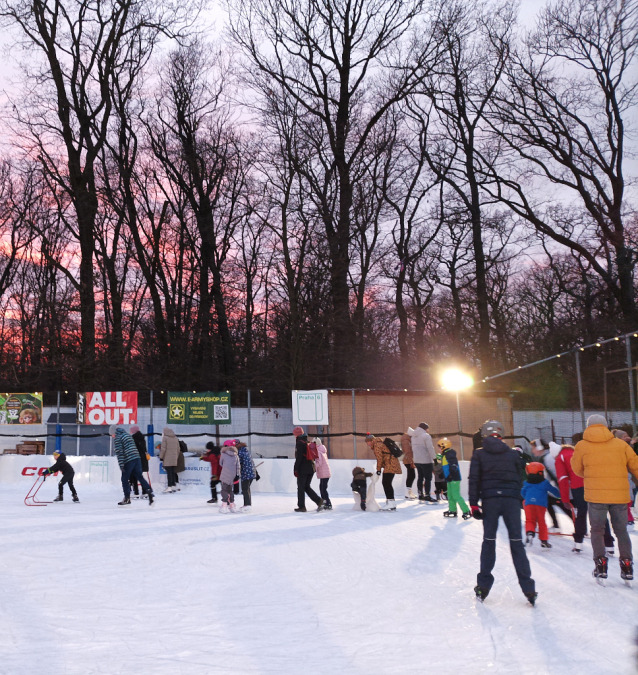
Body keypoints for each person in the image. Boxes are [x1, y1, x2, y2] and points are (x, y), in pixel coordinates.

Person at [469, 419, 536, 605]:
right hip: (511, 502)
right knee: (516, 543)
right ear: (502, 434)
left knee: (489, 541)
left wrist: (474, 504)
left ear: (484, 434)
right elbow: (520, 479)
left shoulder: (479, 454)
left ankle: (483, 586)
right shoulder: (512, 454)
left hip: (490, 501)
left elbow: (474, 479)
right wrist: (519, 498)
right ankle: (528, 588)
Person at [572, 414, 638, 583]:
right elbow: (635, 465)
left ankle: (600, 564)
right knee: (621, 531)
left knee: (597, 530)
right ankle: (627, 564)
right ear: (606, 426)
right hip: (620, 496)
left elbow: (577, 469)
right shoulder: (620, 445)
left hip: (596, 497)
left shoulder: (582, 445)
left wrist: (591, 476)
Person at [555, 443, 615, 554]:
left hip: (578, 487)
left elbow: (563, 480)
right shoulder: (578, 453)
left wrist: (565, 499)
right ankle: (609, 544)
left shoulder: (560, 458)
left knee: (581, 514)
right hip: (593, 483)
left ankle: (578, 543)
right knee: (599, 513)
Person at [110, 426, 154, 506]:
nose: (112, 436)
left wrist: (122, 465)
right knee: (139, 476)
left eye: (111, 434)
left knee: (124, 479)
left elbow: (120, 453)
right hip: (137, 458)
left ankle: (127, 498)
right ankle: (149, 491)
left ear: (114, 432)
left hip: (128, 459)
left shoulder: (118, 438)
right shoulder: (127, 435)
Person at [521, 462, 561, 549]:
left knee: (529, 520)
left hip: (528, 504)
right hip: (541, 504)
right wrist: (560, 496)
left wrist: (527, 498)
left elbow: (522, 492)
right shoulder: (545, 482)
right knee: (541, 522)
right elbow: (553, 490)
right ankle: (544, 541)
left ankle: (530, 533)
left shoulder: (526, 483)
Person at [293, 427, 326, 512]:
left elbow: (299, 458)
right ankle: (319, 501)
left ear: (297, 435)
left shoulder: (299, 443)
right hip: (311, 467)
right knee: (306, 486)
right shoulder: (307, 441)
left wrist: (296, 469)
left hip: (303, 469)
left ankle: (302, 507)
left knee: (301, 487)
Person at [366, 433, 402, 511]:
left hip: (390, 464)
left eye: (367, 442)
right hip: (391, 464)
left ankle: (390, 503)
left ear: (371, 441)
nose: (367, 444)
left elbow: (379, 459)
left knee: (386, 483)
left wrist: (378, 470)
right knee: (387, 483)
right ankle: (391, 502)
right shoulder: (379, 443)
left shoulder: (377, 445)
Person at [438, 438, 471, 520]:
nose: (438, 449)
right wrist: (443, 474)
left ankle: (466, 511)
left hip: (454, 478)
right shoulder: (445, 455)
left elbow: (453, 465)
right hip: (449, 478)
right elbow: (446, 467)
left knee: (456, 495)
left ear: (443, 446)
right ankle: (452, 510)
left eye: (439, 447)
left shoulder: (450, 454)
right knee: (450, 495)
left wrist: (450, 475)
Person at [407, 423, 436, 502]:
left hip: (417, 460)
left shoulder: (413, 436)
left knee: (420, 477)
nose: (428, 430)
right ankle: (427, 495)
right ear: (425, 428)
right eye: (427, 428)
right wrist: (434, 458)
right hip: (426, 460)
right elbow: (430, 448)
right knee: (428, 478)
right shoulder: (426, 436)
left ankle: (420, 494)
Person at [219, 440, 241, 513]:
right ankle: (232, 505)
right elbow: (238, 466)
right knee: (230, 490)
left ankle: (224, 505)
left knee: (224, 489)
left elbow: (221, 463)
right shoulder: (236, 455)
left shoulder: (223, 454)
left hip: (225, 473)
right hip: (232, 474)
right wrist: (237, 474)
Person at [129, 425, 150, 498]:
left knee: (134, 476)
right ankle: (144, 492)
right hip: (143, 459)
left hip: (136, 459)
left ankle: (136, 492)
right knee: (140, 476)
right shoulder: (142, 438)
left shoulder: (133, 439)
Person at [236, 440, 256, 512]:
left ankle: (247, 505)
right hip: (251, 473)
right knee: (247, 489)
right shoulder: (246, 451)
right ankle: (247, 504)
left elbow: (238, 463)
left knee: (245, 489)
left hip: (246, 474)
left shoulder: (240, 453)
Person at [159, 427, 180, 493]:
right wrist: (176, 456)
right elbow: (178, 449)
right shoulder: (175, 438)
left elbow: (163, 449)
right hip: (174, 457)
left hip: (167, 458)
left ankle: (169, 486)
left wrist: (161, 456)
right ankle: (173, 485)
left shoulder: (165, 438)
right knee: (173, 472)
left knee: (169, 472)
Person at [313, 437, 332, 510]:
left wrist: (313, 465)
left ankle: (328, 503)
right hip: (326, 473)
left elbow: (319, 463)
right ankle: (325, 502)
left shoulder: (318, 451)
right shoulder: (322, 450)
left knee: (323, 489)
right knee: (322, 488)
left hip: (324, 473)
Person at [401, 431, 417, 500]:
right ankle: (408, 492)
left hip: (408, 460)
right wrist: (411, 461)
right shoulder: (406, 441)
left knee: (411, 475)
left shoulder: (406, 440)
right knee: (411, 475)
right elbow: (408, 452)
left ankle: (409, 491)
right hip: (408, 460)